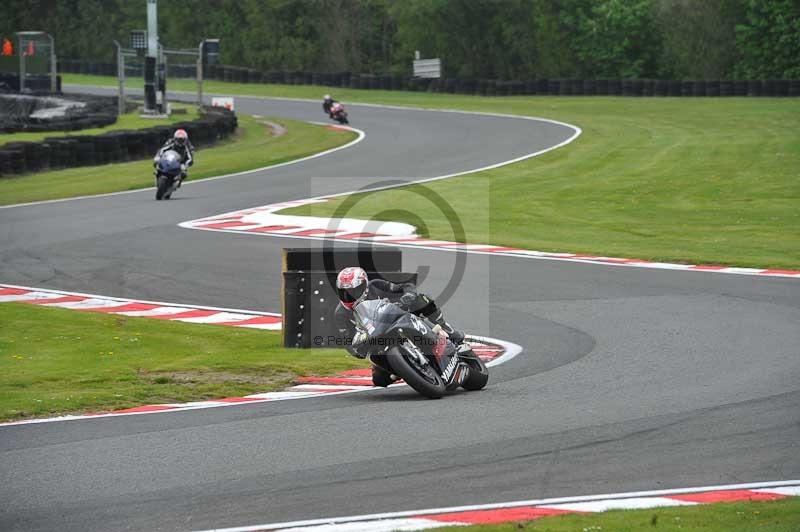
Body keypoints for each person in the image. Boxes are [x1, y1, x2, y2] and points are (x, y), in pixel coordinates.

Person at [334, 266, 466, 387]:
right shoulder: (341, 313)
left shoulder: (376, 286)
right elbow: (347, 341)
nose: (348, 296)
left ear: (364, 286)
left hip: (397, 317)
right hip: (376, 341)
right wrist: (357, 350)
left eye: (352, 291)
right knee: (379, 380)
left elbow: (404, 286)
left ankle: (447, 329)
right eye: (344, 292)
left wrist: (408, 295)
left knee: (421, 299)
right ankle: (404, 370)